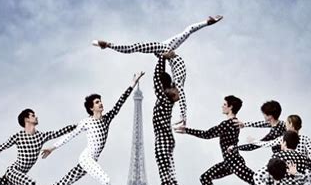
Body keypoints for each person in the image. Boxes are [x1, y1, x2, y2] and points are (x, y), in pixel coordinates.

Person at [37, 72, 145, 185]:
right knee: (105, 180)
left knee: (64, 182)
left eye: (100, 101)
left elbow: (121, 101)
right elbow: (70, 136)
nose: (100, 103)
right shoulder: (86, 122)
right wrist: (52, 147)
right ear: (91, 108)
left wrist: (132, 83)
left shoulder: (107, 119)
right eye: (96, 102)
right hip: (86, 158)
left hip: (92, 160)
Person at [92, 15, 223, 124]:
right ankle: (108, 45)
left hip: (165, 53)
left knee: (134, 47)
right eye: (176, 97)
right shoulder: (178, 84)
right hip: (166, 51)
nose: (177, 97)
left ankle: (108, 45)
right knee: (134, 47)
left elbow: (188, 31)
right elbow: (189, 31)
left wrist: (207, 22)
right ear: (172, 91)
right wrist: (183, 116)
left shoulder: (175, 80)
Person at [174, 95, 255, 185]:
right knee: (205, 177)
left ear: (230, 107)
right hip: (229, 162)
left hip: (234, 162)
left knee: (258, 182)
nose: (222, 106)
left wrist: (187, 130)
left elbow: (207, 134)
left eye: (224, 104)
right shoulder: (234, 123)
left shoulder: (228, 124)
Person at [149, 56, 181, 185]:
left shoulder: (162, 98)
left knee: (164, 175)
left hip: (161, 140)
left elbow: (156, 77)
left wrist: (161, 58)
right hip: (169, 139)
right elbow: (158, 78)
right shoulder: (168, 98)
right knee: (171, 173)